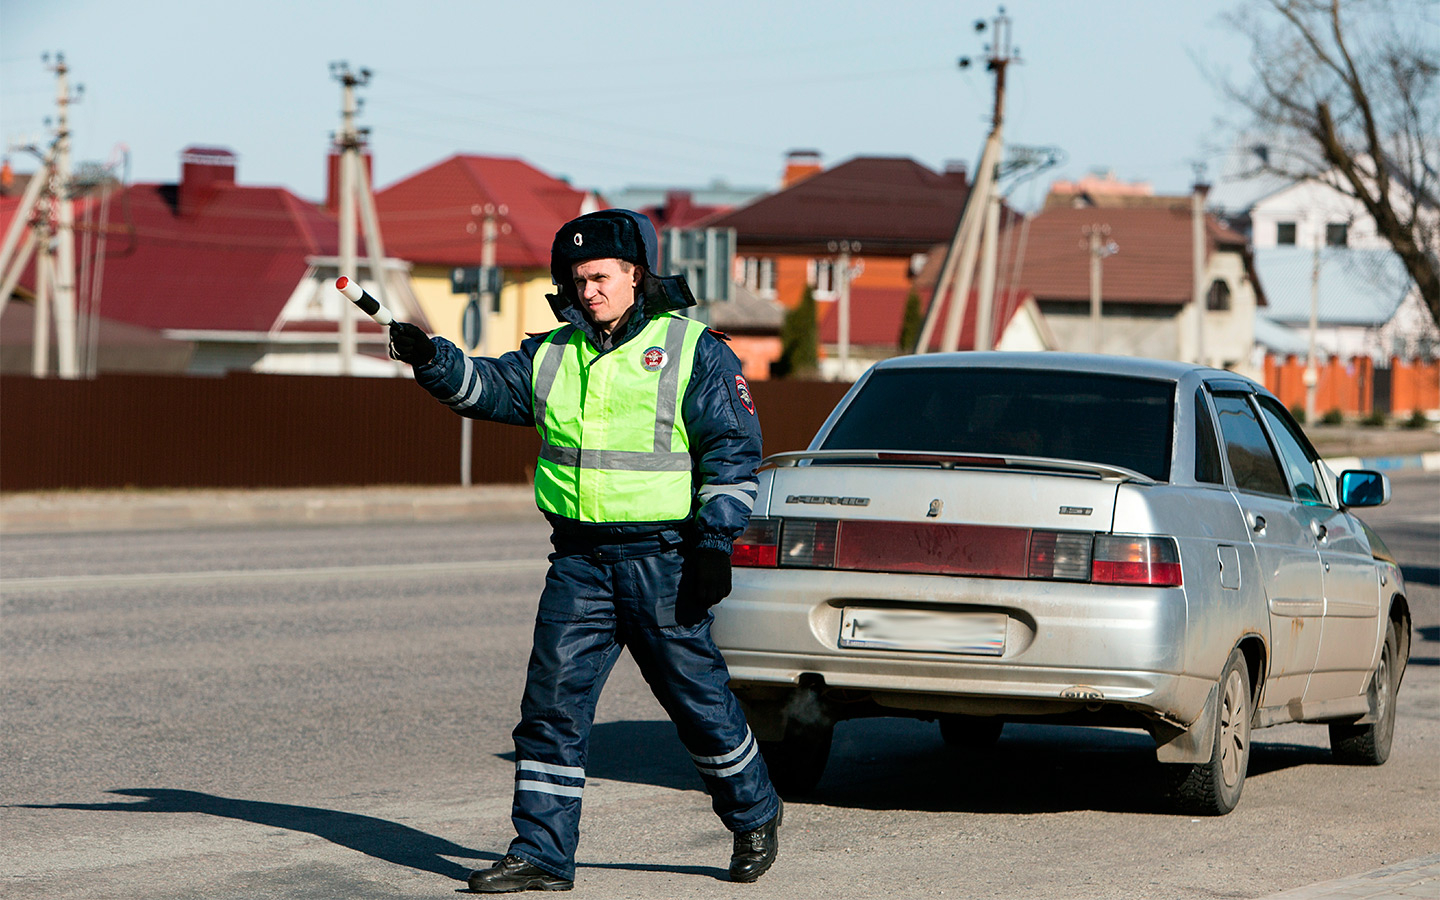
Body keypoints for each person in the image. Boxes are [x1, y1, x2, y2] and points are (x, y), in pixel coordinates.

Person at [387, 209, 782, 893]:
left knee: (697, 703)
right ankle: (542, 852)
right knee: (550, 709)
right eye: (577, 279)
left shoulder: (694, 351)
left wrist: (715, 545)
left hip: (667, 559)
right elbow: (486, 389)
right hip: (578, 563)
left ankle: (754, 812)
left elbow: (733, 456)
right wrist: (430, 358)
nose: (587, 289)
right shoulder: (551, 352)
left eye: (600, 276)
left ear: (636, 275)